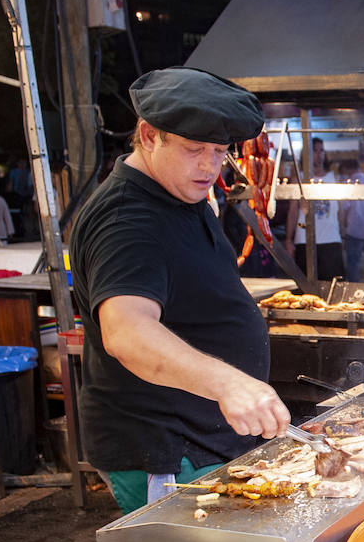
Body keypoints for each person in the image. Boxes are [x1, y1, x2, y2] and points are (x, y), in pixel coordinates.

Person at [68, 66, 288, 514]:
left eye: (219, 152)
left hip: (203, 438)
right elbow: (128, 332)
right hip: (168, 452)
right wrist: (229, 383)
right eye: (194, 150)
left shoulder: (178, 193)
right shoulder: (126, 219)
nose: (210, 166)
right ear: (149, 136)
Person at [285, 158, 344, 280]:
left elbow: (340, 209)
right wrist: (288, 239)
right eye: (315, 150)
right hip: (304, 236)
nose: (318, 154)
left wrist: (342, 232)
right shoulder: (298, 179)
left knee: (333, 284)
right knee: (305, 283)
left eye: (321, 150)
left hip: (331, 238)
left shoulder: (333, 178)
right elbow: (293, 211)